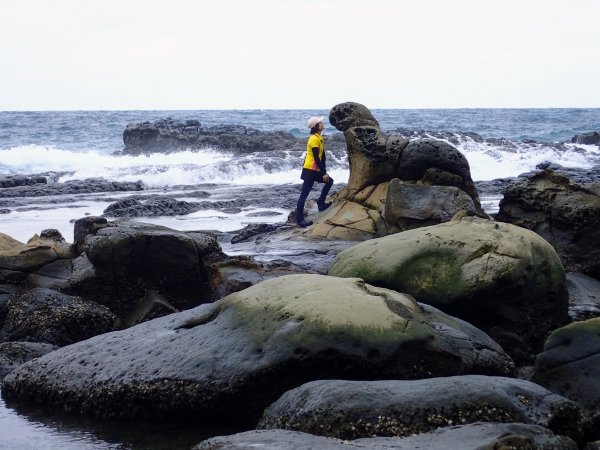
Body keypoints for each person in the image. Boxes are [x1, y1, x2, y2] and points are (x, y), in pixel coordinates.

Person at [295, 115, 334, 227]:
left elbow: (322, 157)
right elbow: (317, 159)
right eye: (320, 122)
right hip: (310, 170)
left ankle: (320, 203)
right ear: (316, 126)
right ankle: (300, 220)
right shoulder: (314, 139)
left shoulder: (319, 138)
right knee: (304, 195)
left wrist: (324, 171)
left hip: (314, 170)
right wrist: (324, 173)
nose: (322, 123)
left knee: (329, 181)